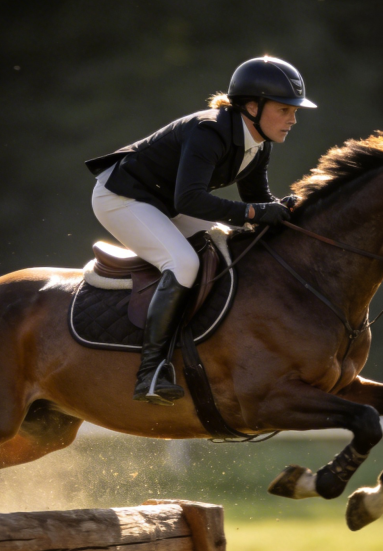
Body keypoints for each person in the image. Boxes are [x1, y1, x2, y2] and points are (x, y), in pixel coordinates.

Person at [85, 56, 316, 405]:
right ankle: (150, 373)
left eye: (293, 111)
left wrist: (284, 209)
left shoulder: (259, 142)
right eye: (284, 110)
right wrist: (256, 211)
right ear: (252, 106)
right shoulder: (208, 131)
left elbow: (256, 200)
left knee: (225, 241)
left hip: (164, 204)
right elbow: (191, 198)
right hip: (121, 197)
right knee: (183, 263)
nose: (293, 119)